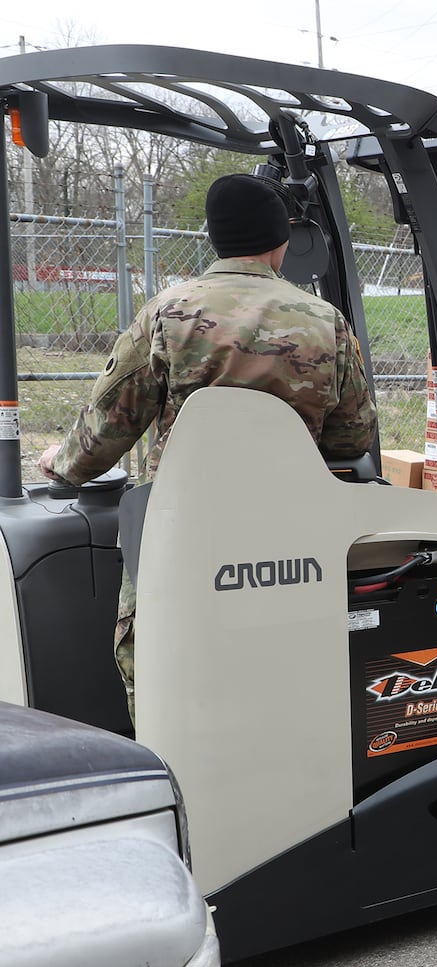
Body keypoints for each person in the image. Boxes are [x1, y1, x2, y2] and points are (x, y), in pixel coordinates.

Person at [39, 173, 378, 723]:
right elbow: (353, 436)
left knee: (156, 657)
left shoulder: (168, 313)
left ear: (215, 240)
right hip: (292, 533)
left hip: (181, 531)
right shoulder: (325, 321)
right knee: (286, 654)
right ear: (279, 243)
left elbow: (109, 429)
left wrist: (63, 463)